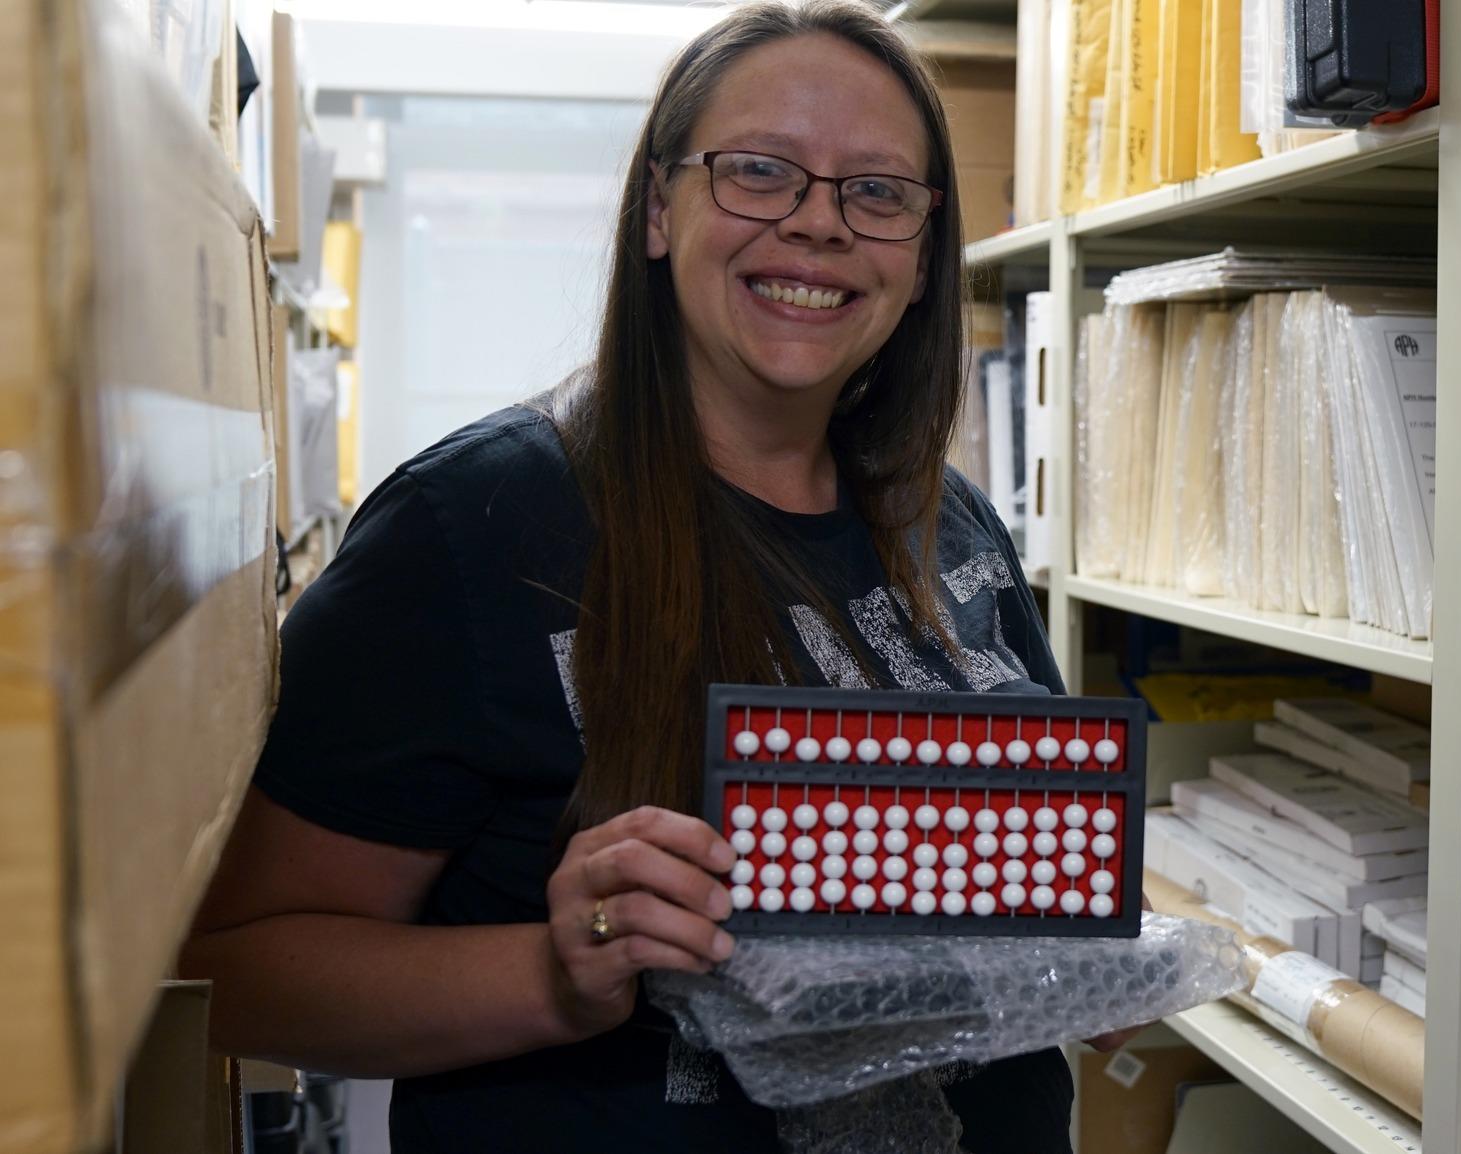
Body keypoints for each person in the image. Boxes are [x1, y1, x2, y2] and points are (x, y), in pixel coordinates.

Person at [182, 4, 1130, 1148]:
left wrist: (1082, 933)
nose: (817, 224)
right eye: (758, 172)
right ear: (656, 209)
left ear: (922, 255)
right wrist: (551, 970)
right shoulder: (475, 524)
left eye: (875, 192)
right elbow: (233, 967)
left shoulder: (950, 521)